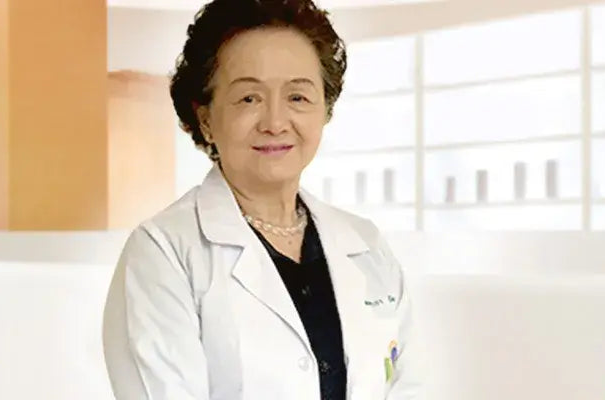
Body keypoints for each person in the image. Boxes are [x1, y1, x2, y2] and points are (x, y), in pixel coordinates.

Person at [100, 0, 420, 399]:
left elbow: (410, 384)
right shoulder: (163, 252)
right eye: (249, 98)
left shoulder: (365, 244)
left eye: (298, 97)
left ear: (325, 109)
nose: (275, 122)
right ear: (205, 118)